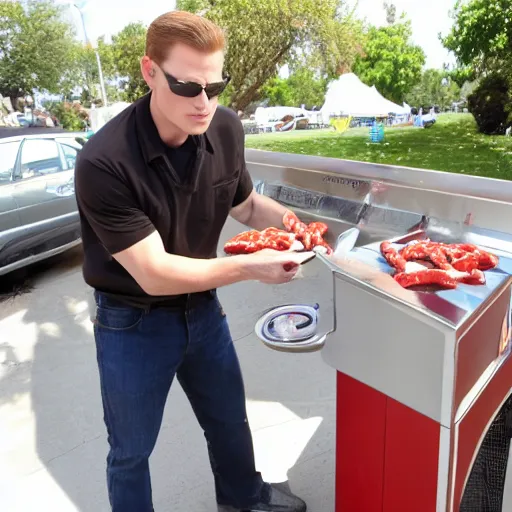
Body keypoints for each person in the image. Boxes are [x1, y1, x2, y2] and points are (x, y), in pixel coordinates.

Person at [75, 10, 308, 512]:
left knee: (228, 418)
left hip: (202, 308)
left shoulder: (224, 128)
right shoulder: (104, 161)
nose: (204, 102)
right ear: (149, 71)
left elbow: (245, 205)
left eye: (216, 85)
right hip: (131, 320)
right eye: (187, 86)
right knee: (131, 451)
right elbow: (155, 274)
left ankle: (245, 500)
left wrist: (295, 228)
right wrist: (250, 267)